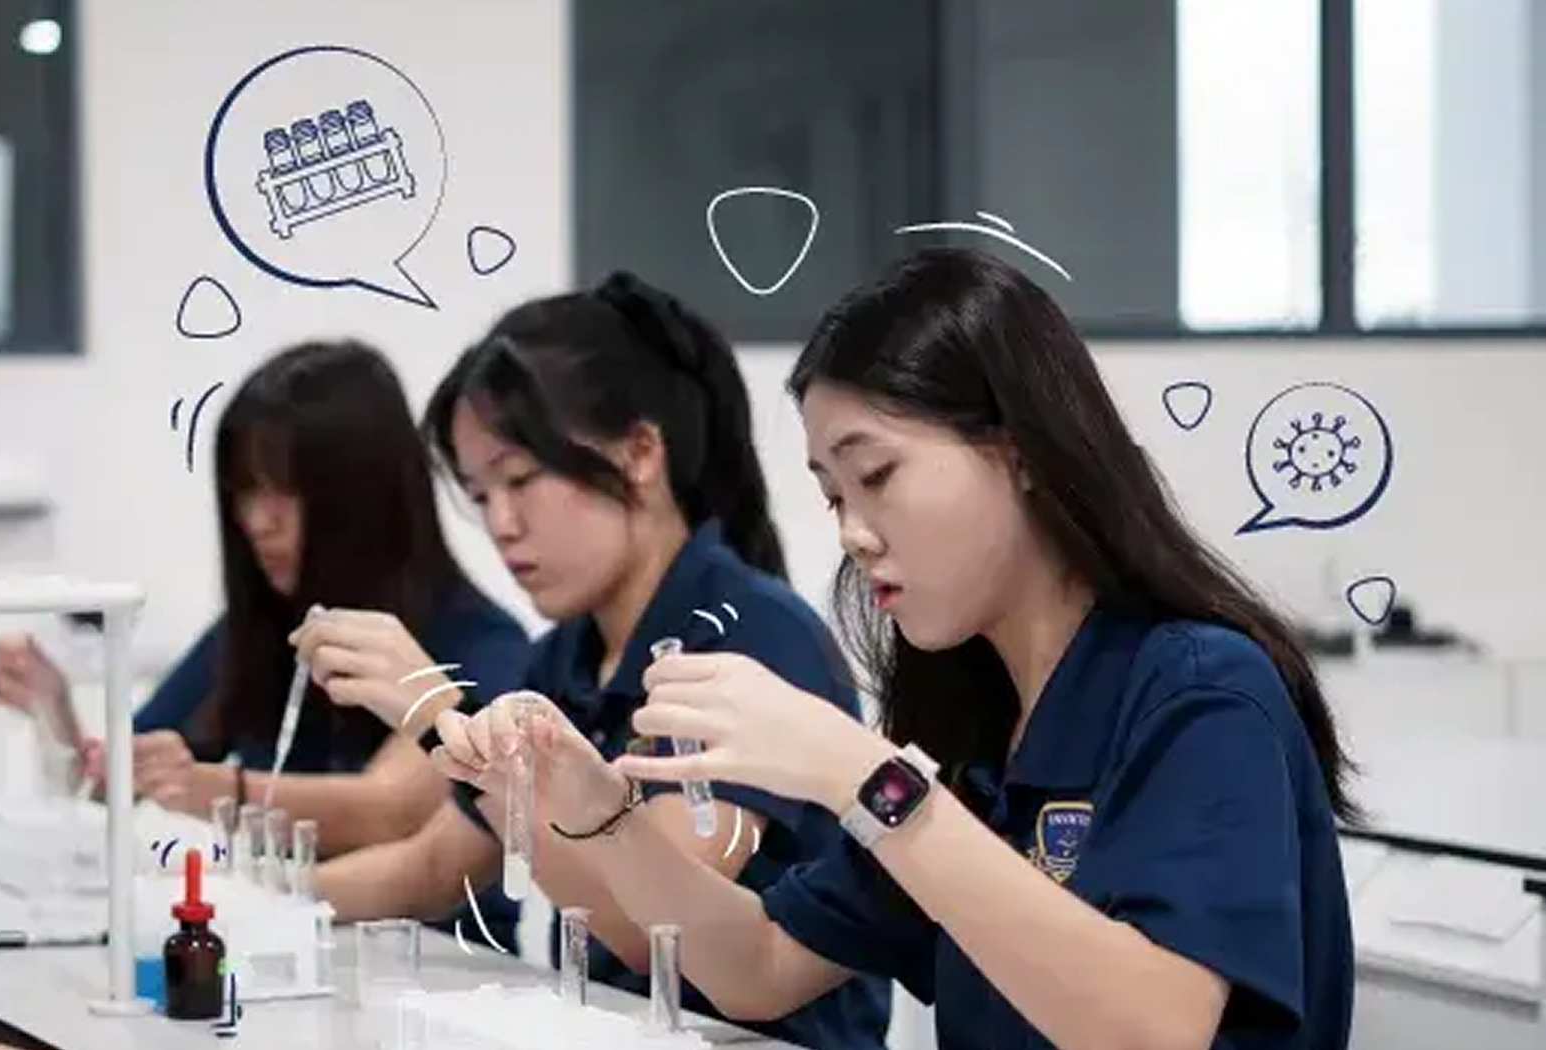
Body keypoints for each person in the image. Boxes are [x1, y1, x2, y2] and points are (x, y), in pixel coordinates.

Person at [452, 248, 1358, 1050]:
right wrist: (599, 809)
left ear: (1020, 450)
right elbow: (758, 963)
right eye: (832, 494)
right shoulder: (978, 726)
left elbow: (1156, 1028)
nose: (851, 532)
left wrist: (867, 781)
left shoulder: (1197, 690)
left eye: (875, 475)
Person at [294, 273, 892, 1050]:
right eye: (478, 495)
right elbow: (439, 863)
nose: (501, 524)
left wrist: (439, 723)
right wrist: (249, 905)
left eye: (520, 480)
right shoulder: (565, 656)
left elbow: (650, 930)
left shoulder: (754, 634)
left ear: (640, 451)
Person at [0, 340, 531, 856]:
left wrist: (210, 786)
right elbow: (124, 778)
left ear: (361, 496)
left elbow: (387, 810)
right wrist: (53, 709)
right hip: (282, 936)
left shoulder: (484, 644)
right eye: (244, 492)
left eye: (283, 492)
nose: (257, 523)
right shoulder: (261, 628)